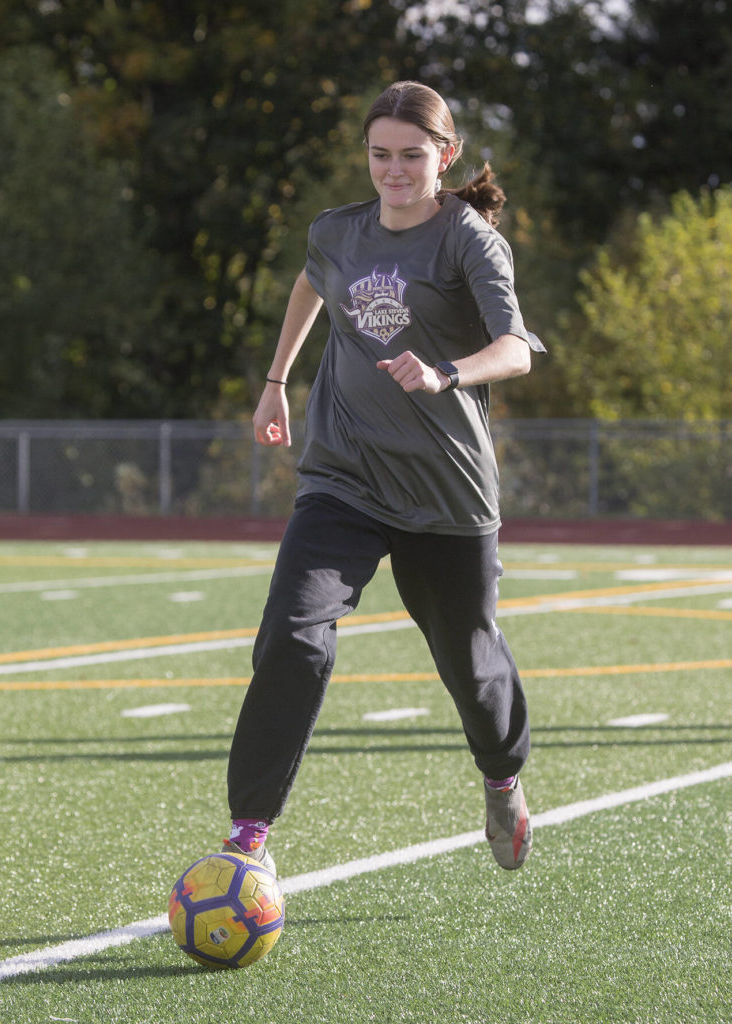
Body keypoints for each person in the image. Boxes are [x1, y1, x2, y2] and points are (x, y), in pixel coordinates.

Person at [224, 80, 545, 875]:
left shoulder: (468, 240)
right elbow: (311, 281)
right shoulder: (337, 232)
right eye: (380, 155)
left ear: (445, 156)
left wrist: (446, 374)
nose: (393, 170)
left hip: (445, 493)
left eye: (411, 155)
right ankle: (249, 836)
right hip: (343, 477)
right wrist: (275, 381)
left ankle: (502, 777)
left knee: (472, 668)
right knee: (293, 638)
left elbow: (517, 349)